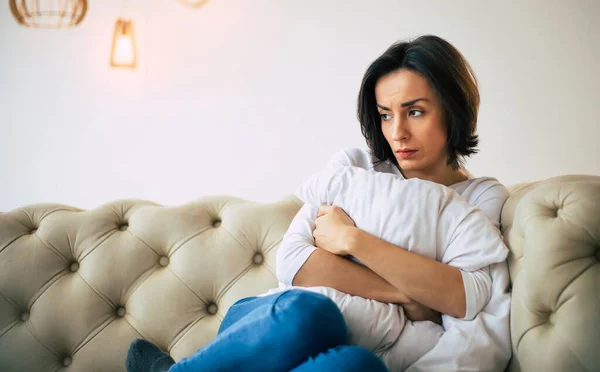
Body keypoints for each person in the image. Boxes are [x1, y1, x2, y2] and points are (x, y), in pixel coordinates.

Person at [125, 35, 511, 372]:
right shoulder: (356, 168)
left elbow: (462, 296)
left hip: (352, 352)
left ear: (453, 107)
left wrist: (353, 241)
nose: (398, 133)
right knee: (312, 315)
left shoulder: (482, 197)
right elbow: (295, 262)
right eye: (385, 115)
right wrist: (407, 293)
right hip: (271, 328)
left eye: (414, 111)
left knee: (359, 367)